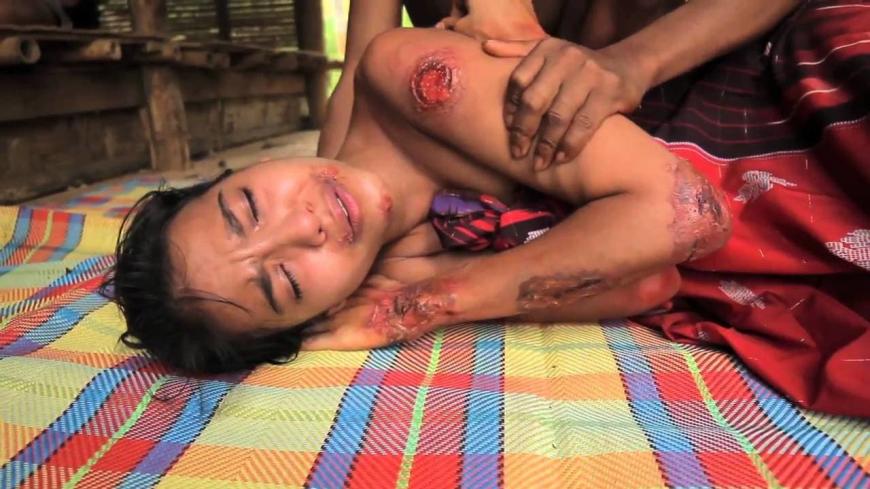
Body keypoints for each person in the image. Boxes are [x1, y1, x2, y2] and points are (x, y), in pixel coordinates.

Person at [108, 15, 728, 375]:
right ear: (316, 315)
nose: (304, 226)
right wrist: (424, 284)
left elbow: (694, 218)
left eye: (248, 207)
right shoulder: (393, 265)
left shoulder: (410, 76)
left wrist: (431, 304)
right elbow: (653, 284)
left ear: (247, 166)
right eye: (287, 282)